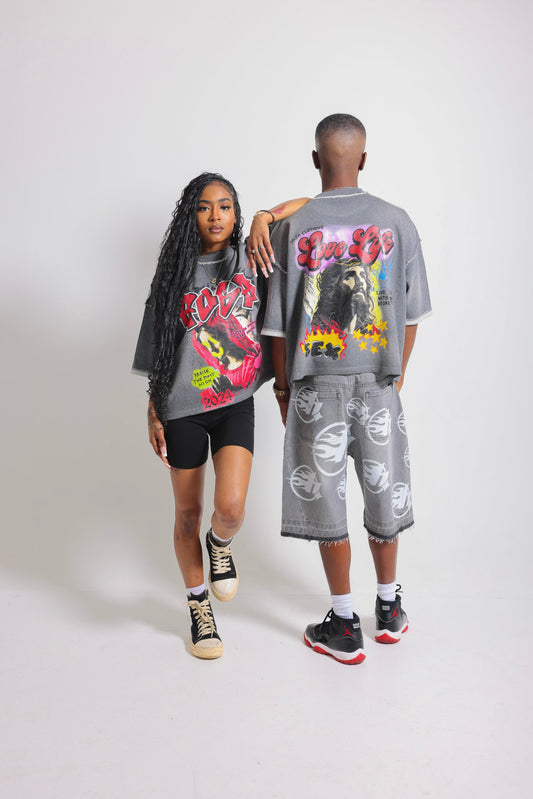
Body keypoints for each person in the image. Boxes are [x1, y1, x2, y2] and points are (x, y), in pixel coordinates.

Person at [256, 114, 432, 665]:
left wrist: (283, 391)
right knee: (385, 488)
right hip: (379, 381)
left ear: (315, 159)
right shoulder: (398, 222)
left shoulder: (291, 228)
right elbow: (412, 316)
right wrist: (396, 374)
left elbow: (277, 328)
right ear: (364, 159)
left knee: (326, 500)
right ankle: (389, 609)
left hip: (315, 387)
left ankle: (344, 622)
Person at [132, 173, 307, 659]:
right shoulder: (173, 274)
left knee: (230, 509)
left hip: (234, 403)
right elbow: (157, 348)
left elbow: (310, 203)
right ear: (191, 216)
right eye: (205, 207)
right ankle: (198, 607)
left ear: (235, 213)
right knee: (187, 515)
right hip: (182, 409)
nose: (215, 216)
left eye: (225, 206)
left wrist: (264, 217)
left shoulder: (253, 256)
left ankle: (220, 544)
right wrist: (153, 409)